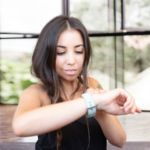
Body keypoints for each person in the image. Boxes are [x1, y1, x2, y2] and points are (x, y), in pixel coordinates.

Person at [12, 15, 141, 150]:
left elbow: (120, 141)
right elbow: (20, 127)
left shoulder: (91, 84)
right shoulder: (36, 93)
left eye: (78, 51)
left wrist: (101, 114)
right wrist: (91, 102)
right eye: (60, 52)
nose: (71, 61)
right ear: (47, 54)